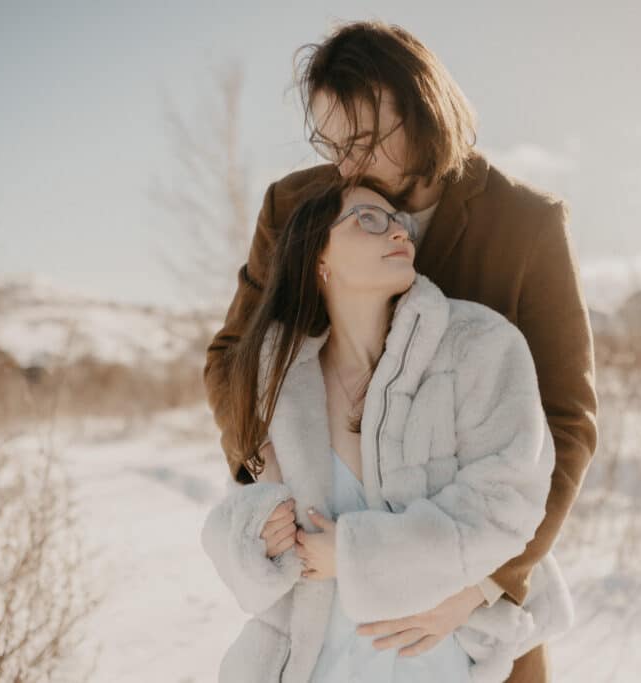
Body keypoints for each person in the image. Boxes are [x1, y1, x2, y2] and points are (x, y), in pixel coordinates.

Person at [203, 19, 598, 683]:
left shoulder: (525, 224)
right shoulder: (294, 207)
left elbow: (567, 421)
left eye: (361, 140)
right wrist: (273, 473)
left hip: (468, 607)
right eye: (333, 145)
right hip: (324, 604)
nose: (348, 166)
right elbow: (233, 361)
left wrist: (480, 584)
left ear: (420, 105)